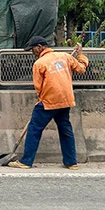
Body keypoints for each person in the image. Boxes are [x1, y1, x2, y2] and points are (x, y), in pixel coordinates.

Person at [8, 36, 89, 170]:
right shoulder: (65, 57)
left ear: (40, 47)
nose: (32, 52)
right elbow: (81, 68)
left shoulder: (39, 63)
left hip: (49, 102)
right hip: (65, 100)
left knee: (34, 129)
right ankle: (71, 162)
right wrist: (81, 55)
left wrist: (40, 100)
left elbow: (38, 87)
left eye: (33, 49)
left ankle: (26, 161)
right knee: (65, 130)